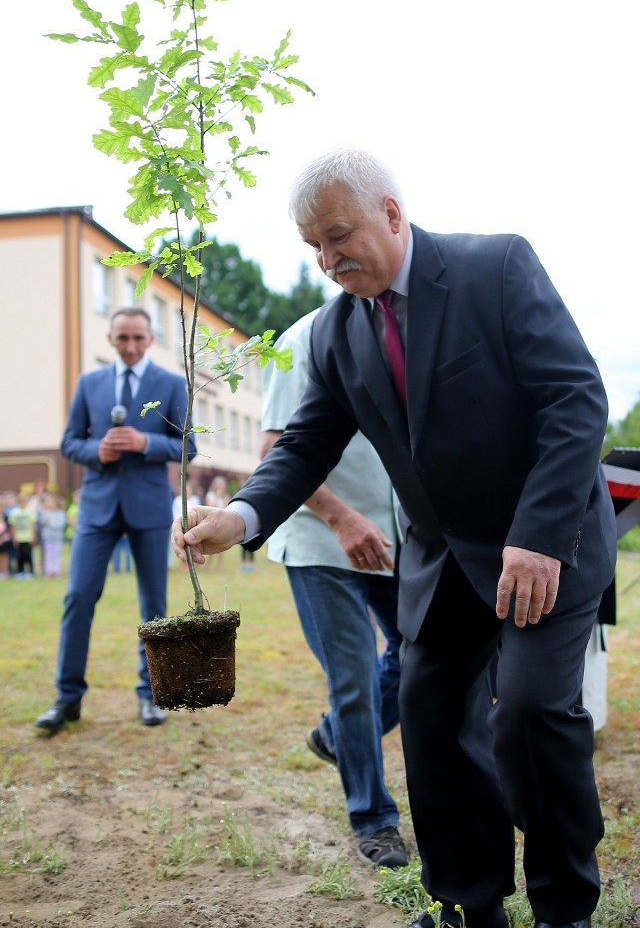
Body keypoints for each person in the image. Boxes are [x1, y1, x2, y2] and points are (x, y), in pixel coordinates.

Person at [172, 148, 617, 928]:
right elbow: (306, 444)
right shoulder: (338, 332)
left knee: (533, 716)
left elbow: (576, 397)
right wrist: (238, 518)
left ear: (391, 213)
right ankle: (471, 903)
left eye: (339, 235)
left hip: (543, 545)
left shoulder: (497, 266)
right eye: (312, 246)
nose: (326, 258)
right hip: (445, 562)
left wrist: (537, 535)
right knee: (429, 709)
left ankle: (564, 909)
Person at [261, 306, 405, 868]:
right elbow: (276, 449)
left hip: (393, 536)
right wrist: (341, 519)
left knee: (421, 657)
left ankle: (334, 737)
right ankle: (374, 818)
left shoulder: (403, 329)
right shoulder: (304, 339)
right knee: (355, 679)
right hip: (323, 537)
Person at [36, 307, 195, 732]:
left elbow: (188, 446)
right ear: (110, 338)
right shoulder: (89, 384)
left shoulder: (172, 383)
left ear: (150, 338)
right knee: (78, 598)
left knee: (154, 606)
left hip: (148, 507)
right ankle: (67, 699)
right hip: (97, 507)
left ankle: (150, 695)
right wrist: (96, 452)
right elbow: (69, 443)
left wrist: (147, 441)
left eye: (139, 338)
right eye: (123, 337)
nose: (130, 346)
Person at [9, 493, 37, 579]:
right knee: (19, 556)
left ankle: (30, 572)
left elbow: (33, 525)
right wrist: (14, 537)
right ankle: (20, 572)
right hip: (19, 537)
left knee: (29, 556)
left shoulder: (30, 512)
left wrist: (33, 536)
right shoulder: (14, 512)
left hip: (28, 537)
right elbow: (13, 526)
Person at [39, 493, 67, 578]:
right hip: (48, 537)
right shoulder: (46, 512)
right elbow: (42, 521)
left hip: (57, 537)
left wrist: (50, 524)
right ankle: (49, 572)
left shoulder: (61, 513)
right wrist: (45, 511)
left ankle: (56, 571)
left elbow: (60, 524)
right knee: (49, 555)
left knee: (56, 555)